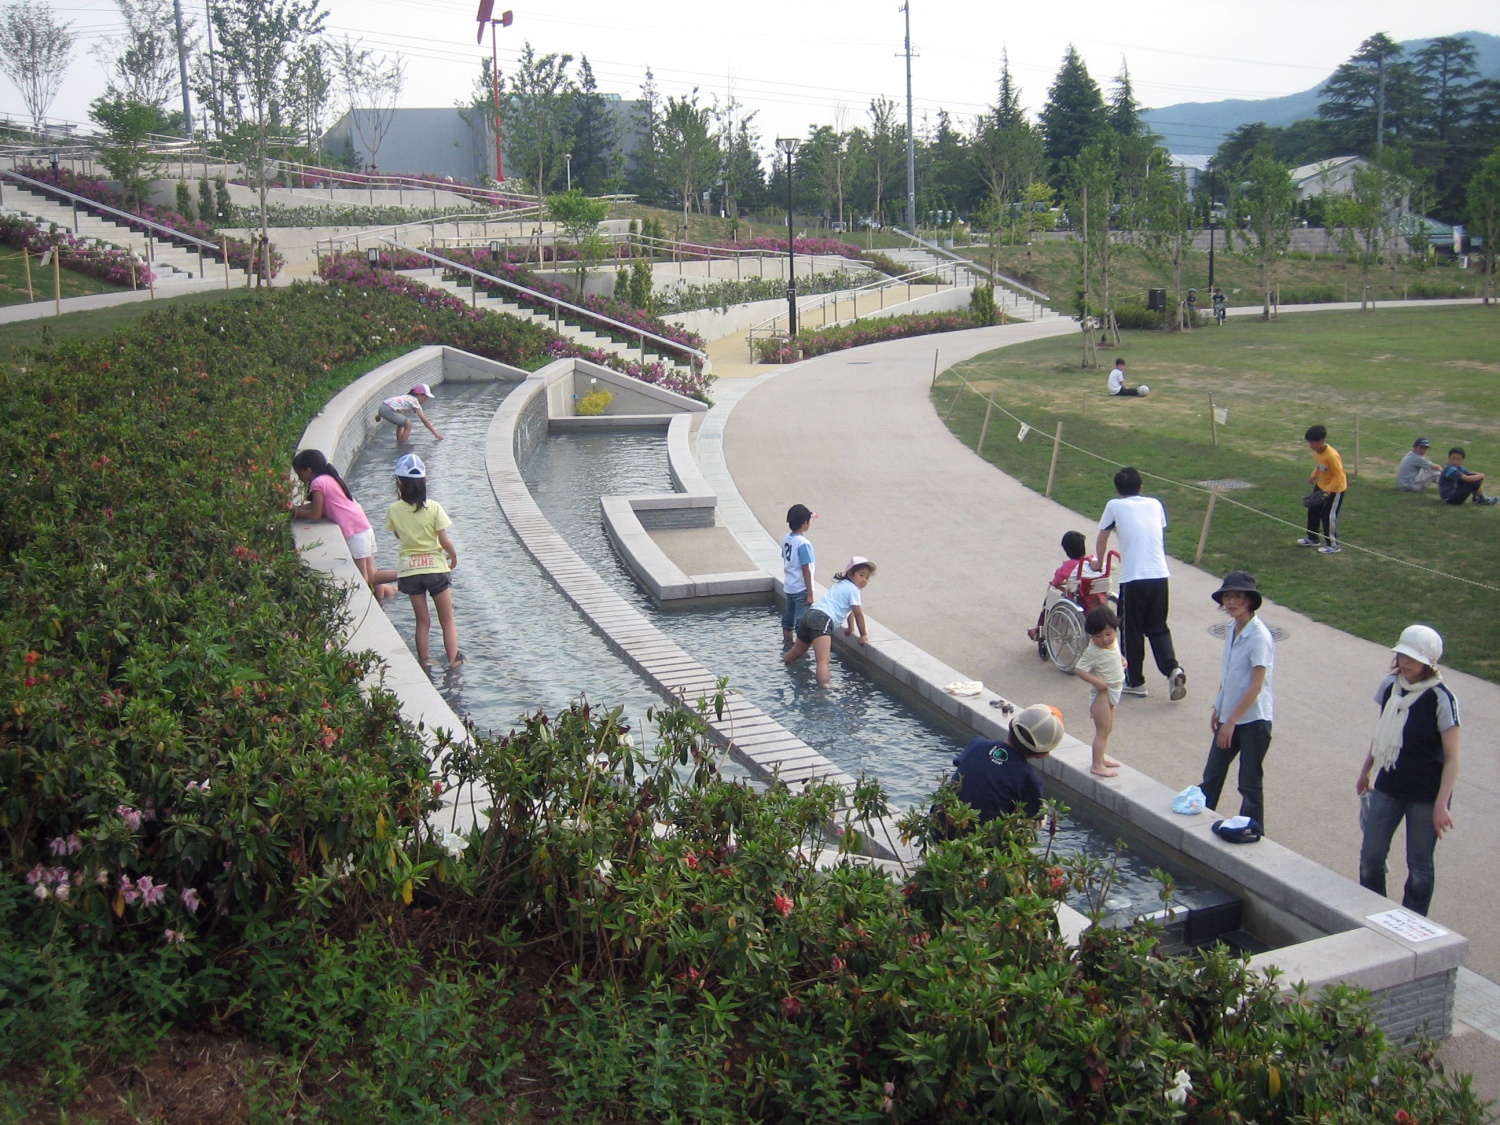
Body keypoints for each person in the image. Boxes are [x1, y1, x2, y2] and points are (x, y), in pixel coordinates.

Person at [1356, 625, 1461, 917]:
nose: (1404, 662)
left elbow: (1453, 758)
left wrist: (1441, 804)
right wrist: (1366, 769)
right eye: (1402, 655)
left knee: (1419, 867)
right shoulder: (1390, 687)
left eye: (1412, 659)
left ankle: (1411, 922)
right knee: (1370, 857)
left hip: (1426, 794)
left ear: (1428, 663)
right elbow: (1381, 736)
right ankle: (1375, 913)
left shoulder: (1441, 698)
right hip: (1390, 783)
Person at [1096, 466, 1186, 701]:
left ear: (1117, 489)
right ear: (1141, 487)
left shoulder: (1113, 506)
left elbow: (1102, 536)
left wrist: (1098, 563)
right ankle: (1172, 668)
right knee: (1157, 627)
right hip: (1159, 575)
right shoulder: (1155, 504)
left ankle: (1135, 681)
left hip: (1134, 578)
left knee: (1131, 630)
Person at [1198, 571, 1274, 831]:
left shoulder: (1259, 637)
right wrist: (1218, 706)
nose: (1231, 602)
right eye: (1228, 597)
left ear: (1250, 601)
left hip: (1253, 720)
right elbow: (1229, 673)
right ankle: (1201, 821)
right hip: (1229, 714)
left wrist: (1231, 722)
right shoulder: (1232, 629)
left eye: (1238, 597)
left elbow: (1256, 686)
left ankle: (1253, 830)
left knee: (1249, 782)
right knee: (1212, 774)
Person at [934, 704, 1066, 835]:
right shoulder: (1028, 777)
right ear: (1043, 754)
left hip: (938, 830)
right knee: (1040, 810)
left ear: (1010, 723)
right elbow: (1034, 815)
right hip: (980, 846)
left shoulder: (978, 744)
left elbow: (959, 763)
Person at [384, 453, 463, 668]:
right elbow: (443, 539)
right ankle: (453, 661)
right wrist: (453, 555)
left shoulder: (394, 509)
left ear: (399, 482)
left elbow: (398, 535)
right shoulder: (434, 507)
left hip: (410, 571)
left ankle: (425, 663)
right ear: (424, 482)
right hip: (436, 569)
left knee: (422, 622)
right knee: (447, 621)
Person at [290, 448, 397, 597]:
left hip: (354, 531)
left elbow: (316, 514)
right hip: (363, 525)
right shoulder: (329, 477)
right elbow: (320, 507)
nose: (300, 479)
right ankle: (393, 590)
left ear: (308, 470)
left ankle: (409, 573)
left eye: (300, 474)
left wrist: (294, 511)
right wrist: (297, 508)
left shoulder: (317, 483)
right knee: (373, 575)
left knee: (365, 579)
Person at [782, 557, 874, 686]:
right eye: (861, 575)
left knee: (796, 652)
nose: (864, 580)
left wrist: (850, 627)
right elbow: (858, 614)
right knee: (823, 661)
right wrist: (863, 634)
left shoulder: (840, 585)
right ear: (850, 574)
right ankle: (823, 693)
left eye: (867, 577)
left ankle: (783, 666)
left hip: (810, 615)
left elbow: (848, 610)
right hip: (822, 620)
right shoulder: (854, 590)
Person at [1071, 605, 1125, 778]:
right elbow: (1080, 669)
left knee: (1108, 729)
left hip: (1114, 690)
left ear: (1115, 630)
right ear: (1092, 636)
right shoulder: (1093, 651)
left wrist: (1122, 660)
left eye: (1108, 634)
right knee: (1102, 731)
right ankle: (1097, 764)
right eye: (1098, 636)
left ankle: (1101, 758)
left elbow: (1115, 654)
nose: (1104, 639)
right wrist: (1098, 683)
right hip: (1103, 694)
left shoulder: (1113, 643)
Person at [1027, 531, 1104, 643]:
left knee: (1050, 600)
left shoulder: (1070, 565)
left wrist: (1054, 583)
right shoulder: (1092, 560)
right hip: (1095, 596)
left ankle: (1040, 631)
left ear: (1067, 551)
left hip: (1079, 599)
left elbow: (1057, 579)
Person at [1297, 424, 1347, 554]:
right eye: (1309, 442)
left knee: (1327, 516)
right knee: (1313, 511)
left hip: (1336, 489)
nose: (1310, 445)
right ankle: (1313, 538)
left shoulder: (1331, 455)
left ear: (1322, 441)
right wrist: (1314, 476)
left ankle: (1333, 545)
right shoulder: (1316, 452)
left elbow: (1339, 476)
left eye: (1313, 442)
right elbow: (1320, 466)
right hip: (1322, 485)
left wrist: (1328, 490)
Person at [780, 504, 816, 647]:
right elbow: (806, 569)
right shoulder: (803, 544)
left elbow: (785, 557)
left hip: (789, 586)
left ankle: (788, 644)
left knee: (788, 619)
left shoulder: (786, 539)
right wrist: (810, 593)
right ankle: (799, 651)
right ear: (805, 524)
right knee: (801, 622)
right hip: (801, 588)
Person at [377, 383, 443, 443]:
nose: (426, 400)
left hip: (382, 407)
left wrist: (379, 415)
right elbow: (424, 420)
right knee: (409, 425)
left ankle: (399, 441)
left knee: (401, 423)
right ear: (419, 394)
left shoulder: (407, 397)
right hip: (387, 410)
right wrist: (436, 434)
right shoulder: (415, 401)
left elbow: (389, 404)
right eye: (425, 397)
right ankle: (403, 446)